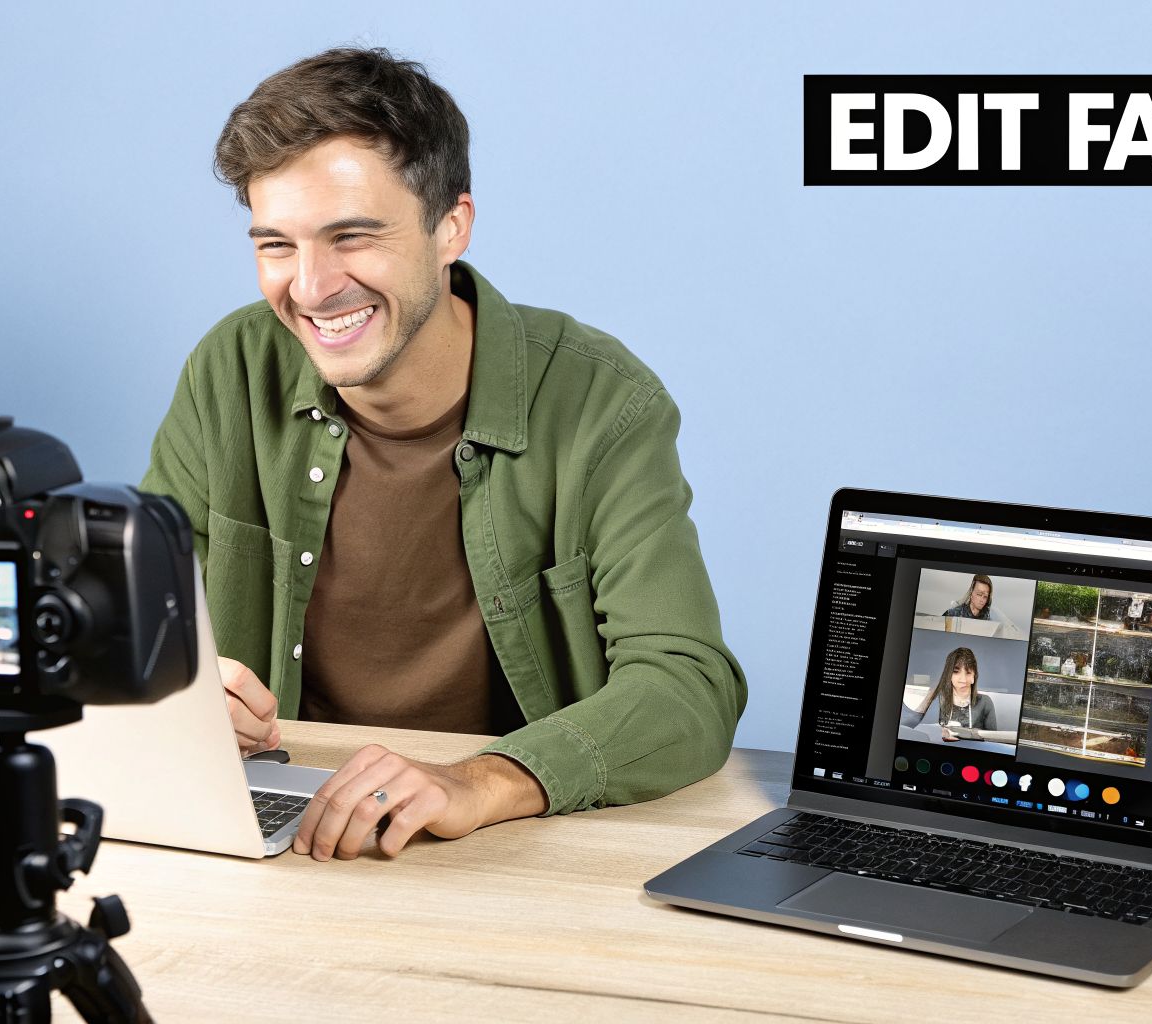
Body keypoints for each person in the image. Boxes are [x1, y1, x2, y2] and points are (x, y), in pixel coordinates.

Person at [141, 48, 746, 863]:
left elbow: (687, 681)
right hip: (281, 834)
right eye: (276, 245)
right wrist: (183, 696)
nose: (312, 288)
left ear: (451, 226)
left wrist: (480, 781)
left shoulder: (601, 400)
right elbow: (143, 626)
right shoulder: (230, 370)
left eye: (351, 236)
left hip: (510, 846)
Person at [902, 647, 997, 739]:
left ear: (974, 677)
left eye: (968, 673)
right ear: (949, 675)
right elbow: (918, 729)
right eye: (956, 672)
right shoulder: (940, 699)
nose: (962, 679)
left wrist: (971, 734)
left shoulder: (985, 702)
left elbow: (993, 740)